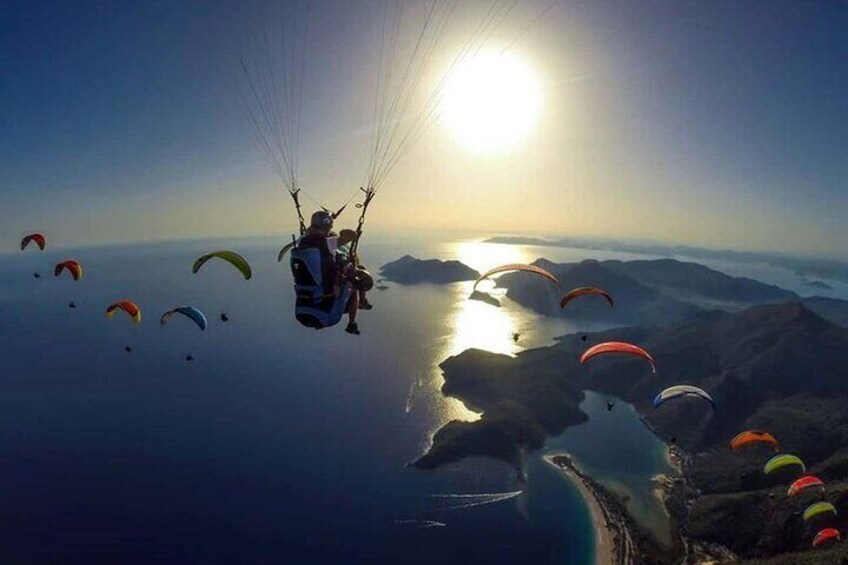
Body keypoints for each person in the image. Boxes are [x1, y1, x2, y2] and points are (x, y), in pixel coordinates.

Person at [295, 210, 372, 334]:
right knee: (355, 285)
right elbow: (351, 235)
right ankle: (352, 323)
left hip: (302, 310)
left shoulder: (301, 244)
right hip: (326, 315)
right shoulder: (328, 244)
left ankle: (360, 305)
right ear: (327, 228)